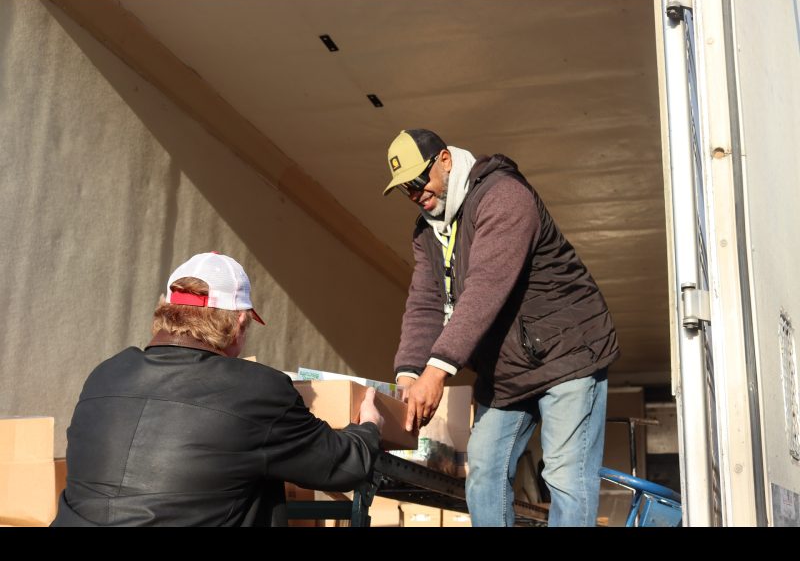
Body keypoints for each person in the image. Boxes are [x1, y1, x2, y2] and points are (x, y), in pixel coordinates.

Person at [382, 129, 619, 527]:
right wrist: (409, 375)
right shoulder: (427, 232)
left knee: (565, 478)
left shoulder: (503, 196)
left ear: (444, 159)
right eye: (405, 189)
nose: (416, 193)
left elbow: (485, 288)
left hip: (568, 353)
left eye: (418, 180)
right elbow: (425, 302)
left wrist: (437, 371)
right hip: (507, 369)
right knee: (485, 475)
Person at [52, 251, 383, 526]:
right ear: (239, 324)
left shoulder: (105, 374)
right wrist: (370, 426)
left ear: (165, 308)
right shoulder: (256, 389)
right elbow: (345, 466)